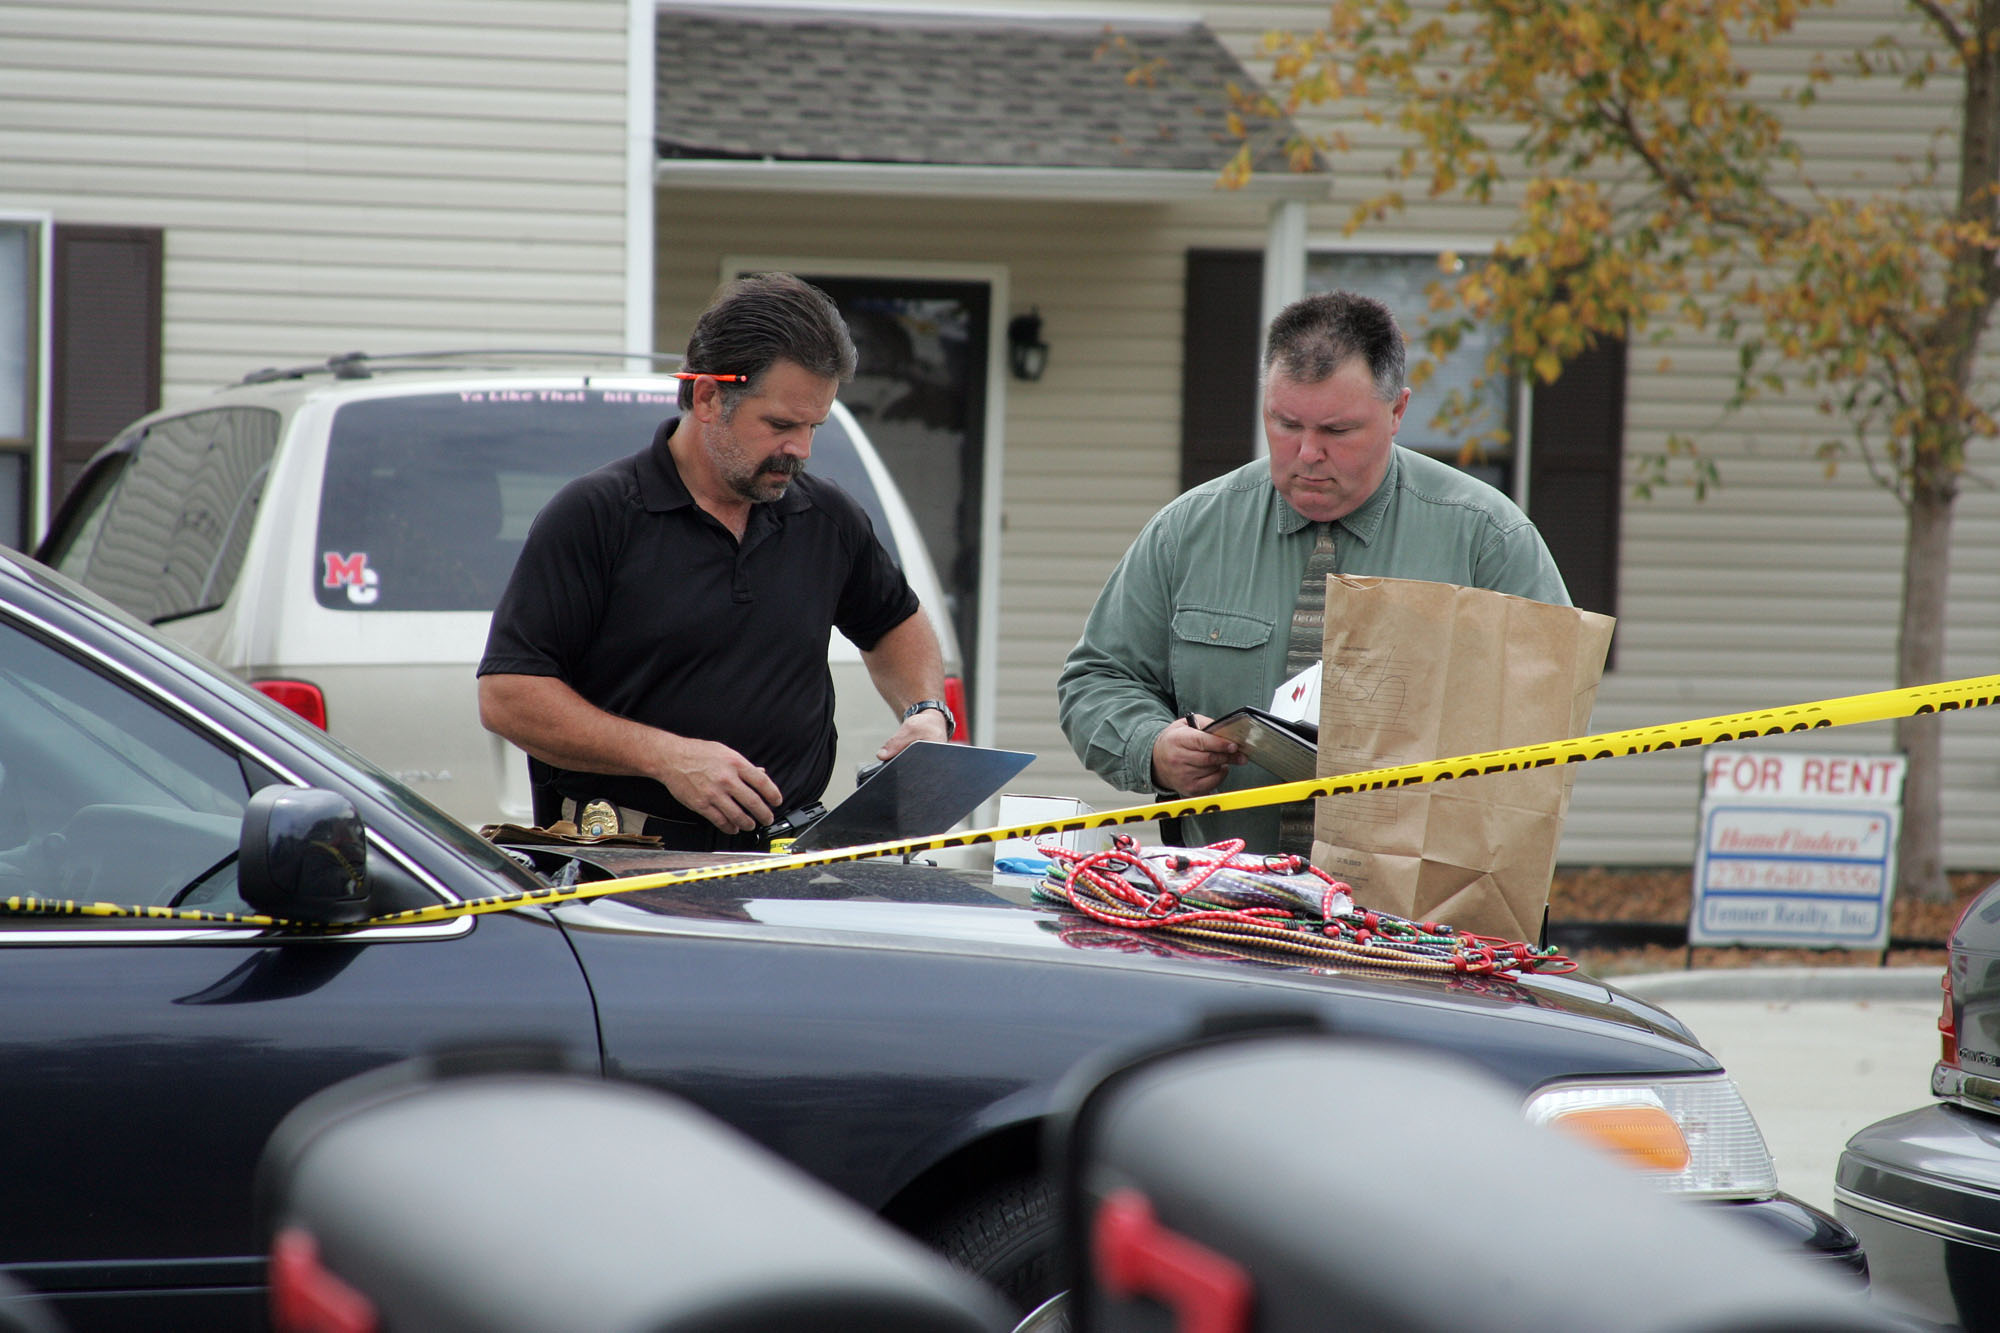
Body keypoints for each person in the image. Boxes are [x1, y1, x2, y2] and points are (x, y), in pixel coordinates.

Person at [1057, 289, 1570, 854]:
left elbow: (1552, 716)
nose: (1307, 453)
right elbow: (1097, 679)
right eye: (1285, 424)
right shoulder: (1189, 531)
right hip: (1223, 905)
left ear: (1397, 411)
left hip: (1413, 919)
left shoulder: (1486, 539)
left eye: (1337, 431)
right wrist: (1152, 747)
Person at [478, 273, 953, 850]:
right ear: (707, 397)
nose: (800, 449)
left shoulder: (825, 518)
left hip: (788, 864)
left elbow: (894, 624)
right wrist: (668, 757)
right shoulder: (596, 516)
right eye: (780, 424)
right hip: (625, 870)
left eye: (812, 427)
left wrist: (926, 712)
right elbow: (508, 695)